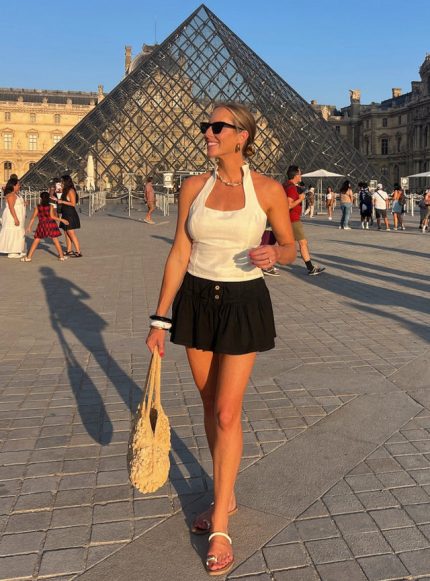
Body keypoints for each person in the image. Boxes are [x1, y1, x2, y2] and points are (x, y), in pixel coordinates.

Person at [146, 102, 296, 576]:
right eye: (205, 126)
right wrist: (159, 319)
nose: (207, 133)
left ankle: (221, 525)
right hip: (196, 300)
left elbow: (289, 246)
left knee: (228, 411)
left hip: (242, 303)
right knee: (211, 405)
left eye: (216, 127)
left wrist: (275, 254)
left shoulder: (268, 190)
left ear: (241, 136)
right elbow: (179, 251)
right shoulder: (194, 186)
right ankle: (223, 494)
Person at [283, 166, 325, 276]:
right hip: (293, 219)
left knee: (286, 244)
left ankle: (266, 264)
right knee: (303, 243)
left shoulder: (286, 185)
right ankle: (310, 268)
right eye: (300, 174)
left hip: (287, 218)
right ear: (296, 175)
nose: (301, 176)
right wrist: (300, 199)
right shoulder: (291, 188)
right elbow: (289, 205)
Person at [21, 191, 69, 262]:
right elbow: (52, 217)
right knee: (55, 240)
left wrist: (29, 226)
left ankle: (29, 257)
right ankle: (61, 257)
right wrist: (62, 220)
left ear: (41, 198)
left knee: (36, 239)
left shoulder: (38, 207)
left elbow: (33, 217)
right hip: (51, 224)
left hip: (42, 224)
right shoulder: (50, 206)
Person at [55, 175, 82, 256]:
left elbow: (73, 204)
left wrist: (62, 201)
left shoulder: (71, 190)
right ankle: (69, 250)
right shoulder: (65, 190)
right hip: (65, 213)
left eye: (62, 181)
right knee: (66, 232)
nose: (61, 183)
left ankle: (78, 252)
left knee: (71, 232)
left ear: (66, 182)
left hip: (70, 213)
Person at [0, 176, 26, 258]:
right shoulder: (11, 195)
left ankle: (18, 249)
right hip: (12, 216)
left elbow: (17, 204)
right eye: (18, 185)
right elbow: (11, 208)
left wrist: (24, 203)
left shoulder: (16, 194)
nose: (19, 186)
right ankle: (12, 252)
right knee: (13, 232)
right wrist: (15, 219)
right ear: (13, 186)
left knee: (18, 232)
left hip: (18, 215)